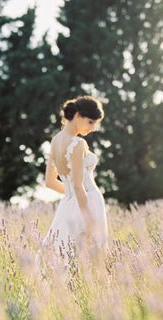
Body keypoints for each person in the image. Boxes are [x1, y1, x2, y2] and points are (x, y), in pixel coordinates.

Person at [38, 96, 109, 262]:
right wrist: (88, 217)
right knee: (90, 256)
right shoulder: (78, 144)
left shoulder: (55, 141)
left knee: (67, 254)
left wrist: (70, 195)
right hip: (88, 201)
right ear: (78, 116)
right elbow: (78, 185)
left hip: (68, 204)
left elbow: (50, 182)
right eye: (90, 122)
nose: (93, 128)